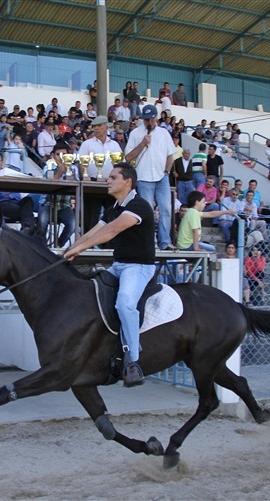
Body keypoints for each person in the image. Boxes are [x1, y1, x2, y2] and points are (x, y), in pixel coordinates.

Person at [64, 164, 154, 387]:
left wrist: (80, 250)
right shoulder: (115, 207)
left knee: (124, 304)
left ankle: (134, 361)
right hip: (119, 265)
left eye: (113, 177)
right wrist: (70, 249)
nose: (108, 181)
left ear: (127, 182)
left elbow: (111, 231)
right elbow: (95, 230)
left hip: (138, 267)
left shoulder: (138, 206)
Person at [124, 104, 176, 250]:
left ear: (156, 118)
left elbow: (170, 155)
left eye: (152, 119)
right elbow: (128, 157)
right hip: (144, 177)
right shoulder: (135, 134)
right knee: (148, 211)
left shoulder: (164, 133)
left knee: (165, 209)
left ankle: (165, 242)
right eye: (146, 120)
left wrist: (167, 172)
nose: (149, 122)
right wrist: (143, 143)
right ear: (142, 120)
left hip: (161, 177)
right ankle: (150, 242)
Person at [0, 152, 36, 234]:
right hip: (0, 204)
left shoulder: (9, 173)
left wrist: (6, 190)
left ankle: (27, 228)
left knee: (28, 200)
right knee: (27, 213)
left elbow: (17, 193)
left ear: (2, 162)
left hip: (15, 202)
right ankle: (28, 229)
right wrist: (8, 191)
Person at [38, 141, 76, 248]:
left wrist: (68, 171)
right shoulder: (48, 167)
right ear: (53, 156)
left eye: (64, 155)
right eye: (58, 154)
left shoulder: (73, 168)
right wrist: (60, 172)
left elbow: (76, 184)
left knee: (72, 225)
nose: (61, 157)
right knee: (42, 224)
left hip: (64, 205)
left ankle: (58, 246)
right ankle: (42, 248)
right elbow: (50, 186)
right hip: (47, 203)